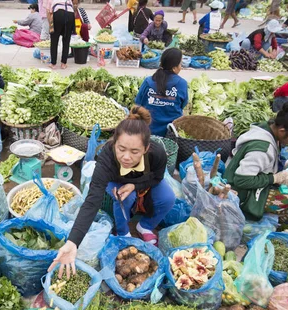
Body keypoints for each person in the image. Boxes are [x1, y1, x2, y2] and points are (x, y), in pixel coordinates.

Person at [48, 107, 175, 277]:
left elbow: (157, 178)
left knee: (168, 197)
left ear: (146, 149)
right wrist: (73, 242)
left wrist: (134, 186)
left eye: (135, 151)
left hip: (143, 181)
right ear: (114, 143)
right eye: (121, 149)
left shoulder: (157, 153)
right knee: (124, 198)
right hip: (117, 181)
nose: (126, 157)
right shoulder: (106, 158)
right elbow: (92, 200)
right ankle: (123, 232)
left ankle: (144, 226)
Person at [223, 100, 288, 222]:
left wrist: (285, 164)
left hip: (251, 182)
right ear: (282, 131)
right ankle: (264, 220)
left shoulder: (269, 128)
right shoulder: (262, 149)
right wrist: (275, 178)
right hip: (240, 193)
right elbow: (241, 180)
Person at [134, 48, 188, 137]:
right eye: (180, 64)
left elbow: (138, 102)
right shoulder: (182, 84)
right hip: (170, 133)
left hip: (147, 131)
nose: (181, 67)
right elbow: (182, 105)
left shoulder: (148, 81)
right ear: (174, 68)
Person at [47, 0, 75, 70]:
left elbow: (48, 12)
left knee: (54, 40)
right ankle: (63, 63)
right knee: (66, 40)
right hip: (70, 15)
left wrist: (50, 25)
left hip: (58, 14)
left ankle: (53, 64)